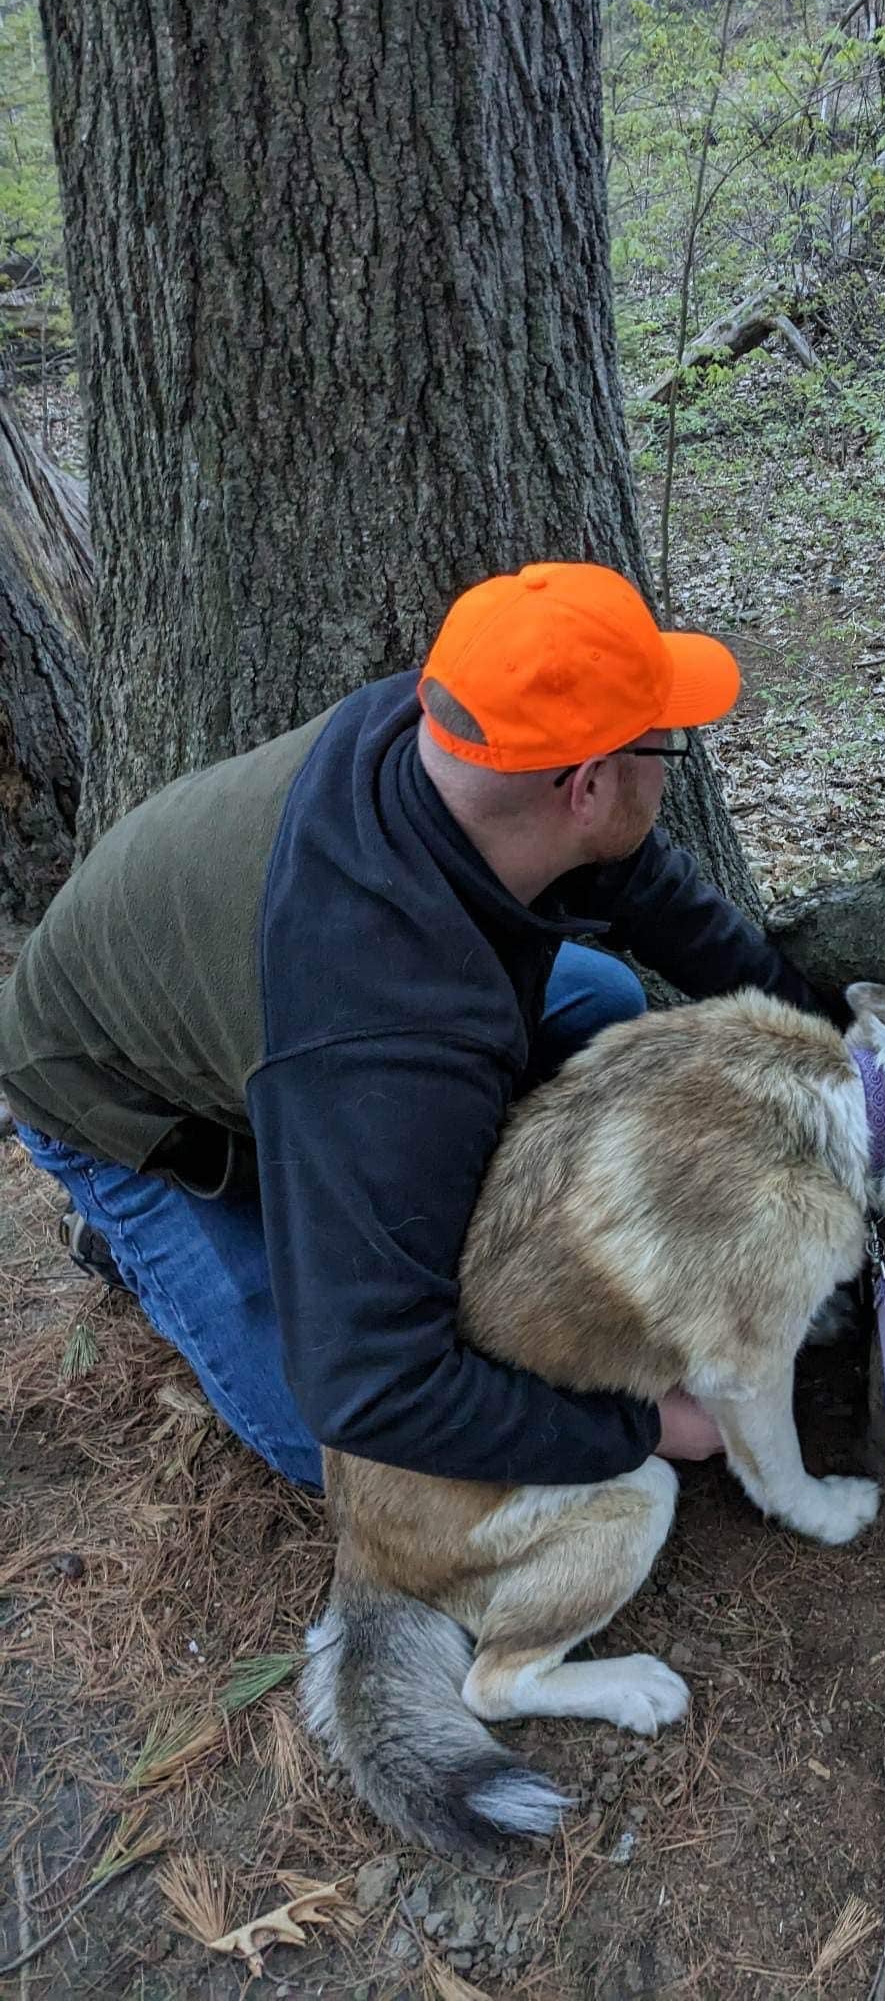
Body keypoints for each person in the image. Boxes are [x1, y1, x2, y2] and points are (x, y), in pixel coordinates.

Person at [0, 562, 842, 1494]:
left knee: (600, 999)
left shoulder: (462, 743)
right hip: (116, 1103)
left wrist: (830, 1042)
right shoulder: (383, 1037)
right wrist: (644, 1427)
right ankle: (129, 1242)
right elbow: (371, 1391)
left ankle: (330, 1204)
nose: (669, 761)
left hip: (271, 1030)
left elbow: (639, 879)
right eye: (663, 745)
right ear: (590, 786)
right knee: (339, 1452)